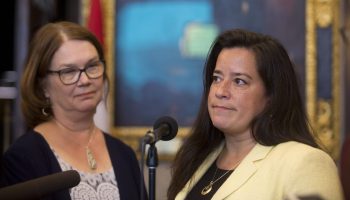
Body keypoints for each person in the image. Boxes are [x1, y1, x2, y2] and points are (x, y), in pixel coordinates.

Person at [167, 29, 344, 200]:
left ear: (271, 97)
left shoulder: (304, 162)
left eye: (239, 81)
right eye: (217, 78)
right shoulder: (199, 156)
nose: (221, 91)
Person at [0, 21, 145, 200]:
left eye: (92, 66)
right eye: (68, 71)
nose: (85, 80)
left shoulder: (124, 154)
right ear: (42, 86)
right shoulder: (23, 157)